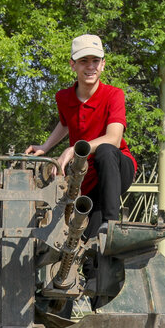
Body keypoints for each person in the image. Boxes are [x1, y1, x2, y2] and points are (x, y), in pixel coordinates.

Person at [25, 34, 137, 235]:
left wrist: (73, 149)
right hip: (88, 176)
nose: (90, 66)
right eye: (84, 61)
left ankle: (111, 225)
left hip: (116, 169)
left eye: (95, 61)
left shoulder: (114, 95)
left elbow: (114, 138)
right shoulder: (63, 97)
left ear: (103, 65)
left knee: (105, 151)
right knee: (86, 240)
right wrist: (44, 146)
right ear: (73, 65)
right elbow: (65, 123)